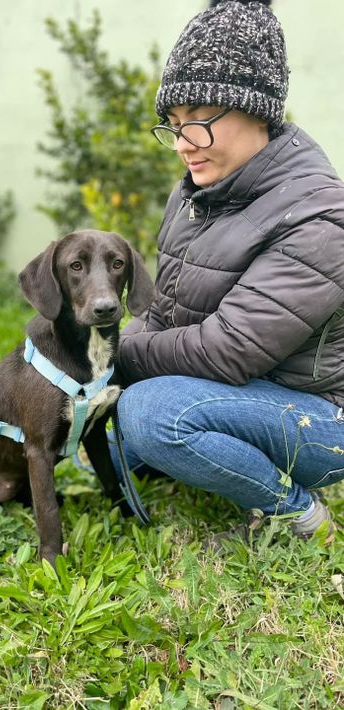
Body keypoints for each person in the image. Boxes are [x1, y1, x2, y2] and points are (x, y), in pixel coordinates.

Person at [114, 0, 344, 546]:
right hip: (244, 393)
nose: (182, 144)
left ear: (257, 111)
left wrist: (114, 356)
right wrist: (94, 366)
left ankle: (298, 515)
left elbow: (229, 351)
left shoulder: (320, 216)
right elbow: (162, 313)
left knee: (149, 414)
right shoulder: (197, 195)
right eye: (173, 126)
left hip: (324, 419)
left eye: (198, 121)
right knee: (107, 418)